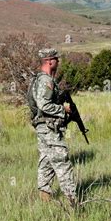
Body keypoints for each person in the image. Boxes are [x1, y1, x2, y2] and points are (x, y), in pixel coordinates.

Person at [31, 48, 77, 206]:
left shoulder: (39, 79)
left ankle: (44, 202)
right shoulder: (46, 81)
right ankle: (73, 203)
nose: (58, 62)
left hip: (42, 127)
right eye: (56, 59)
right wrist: (63, 110)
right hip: (49, 127)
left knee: (46, 162)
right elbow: (44, 105)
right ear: (50, 61)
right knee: (62, 161)